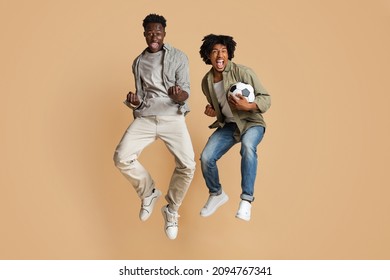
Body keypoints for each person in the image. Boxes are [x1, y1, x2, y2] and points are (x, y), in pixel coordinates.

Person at [113, 14, 195, 239]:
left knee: (188, 166)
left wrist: (180, 96)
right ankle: (148, 192)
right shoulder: (138, 61)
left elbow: (186, 89)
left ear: (164, 34)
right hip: (146, 117)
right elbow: (141, 95)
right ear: (145, 34)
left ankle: (171, 209)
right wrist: (136, 102)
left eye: (158, 32)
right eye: (150, 32)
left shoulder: (178, 57)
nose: (154, 36)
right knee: (121, 157)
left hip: (172, 117)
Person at [198, 34, 271, 221]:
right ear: (208, 55)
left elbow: (266, 98)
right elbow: (219, 105)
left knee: (248, 147)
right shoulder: (206, 82)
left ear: (229, 53)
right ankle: (216, 194)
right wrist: (213, 110)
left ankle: (246, 201)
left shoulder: (243, 72)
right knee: (206, 157)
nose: (219, 55)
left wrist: (249, 106)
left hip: (251, 122)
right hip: (229, 126)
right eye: (214, 51)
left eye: (223, 51)